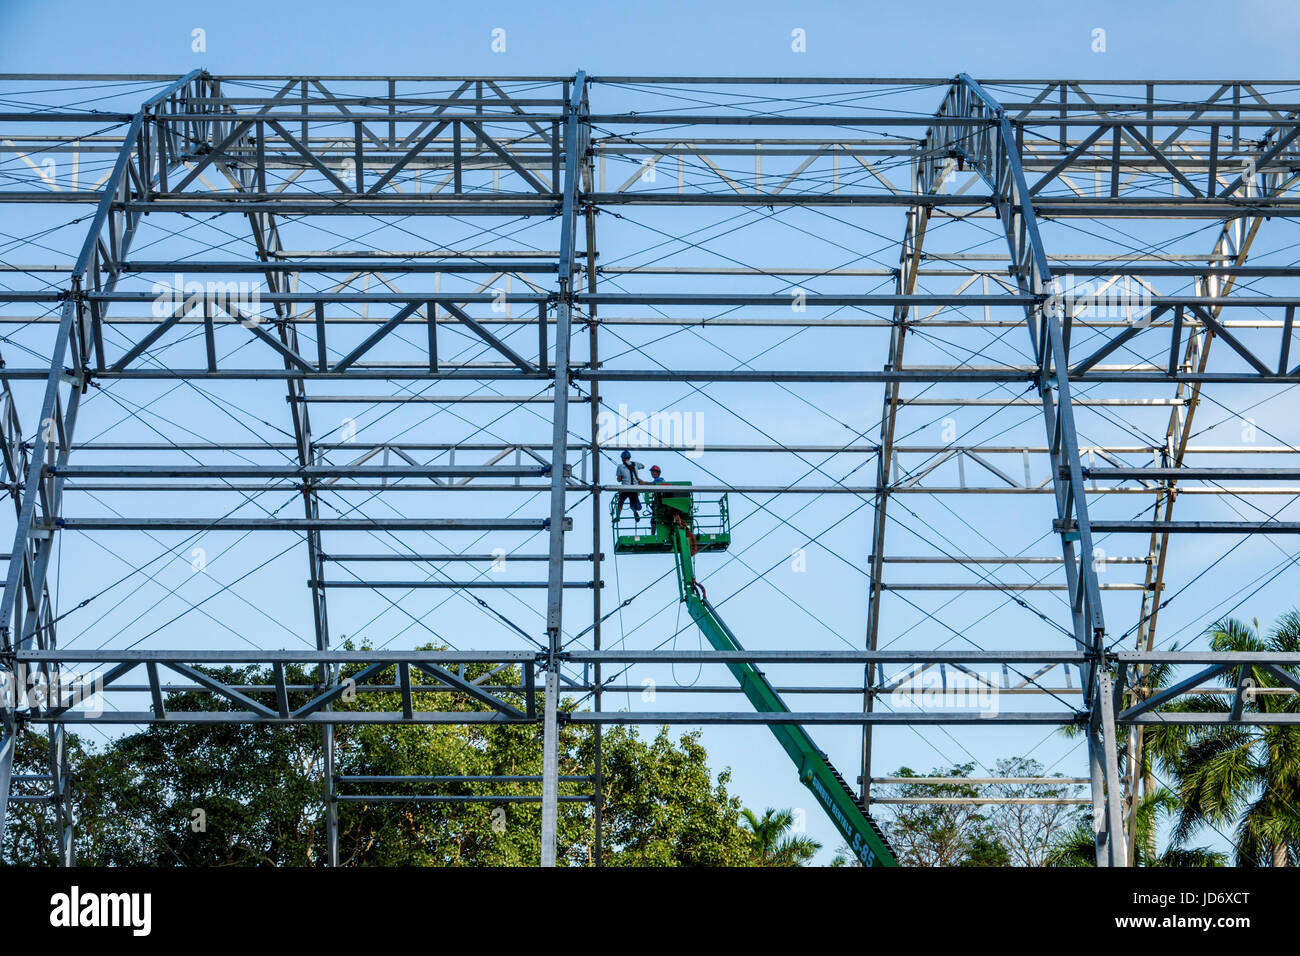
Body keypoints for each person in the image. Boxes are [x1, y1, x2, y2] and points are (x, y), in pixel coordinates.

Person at [615, 451, 644, 518]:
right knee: (632, 503)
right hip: (635, 488)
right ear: (629, 457)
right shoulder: (635, 464)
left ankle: (618, 516)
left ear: (622, 458)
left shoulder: (620, 466)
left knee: (620, 502)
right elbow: (643, 466)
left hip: (625, 488)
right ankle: (635, 511)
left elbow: (619, 479)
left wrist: (622, 477)